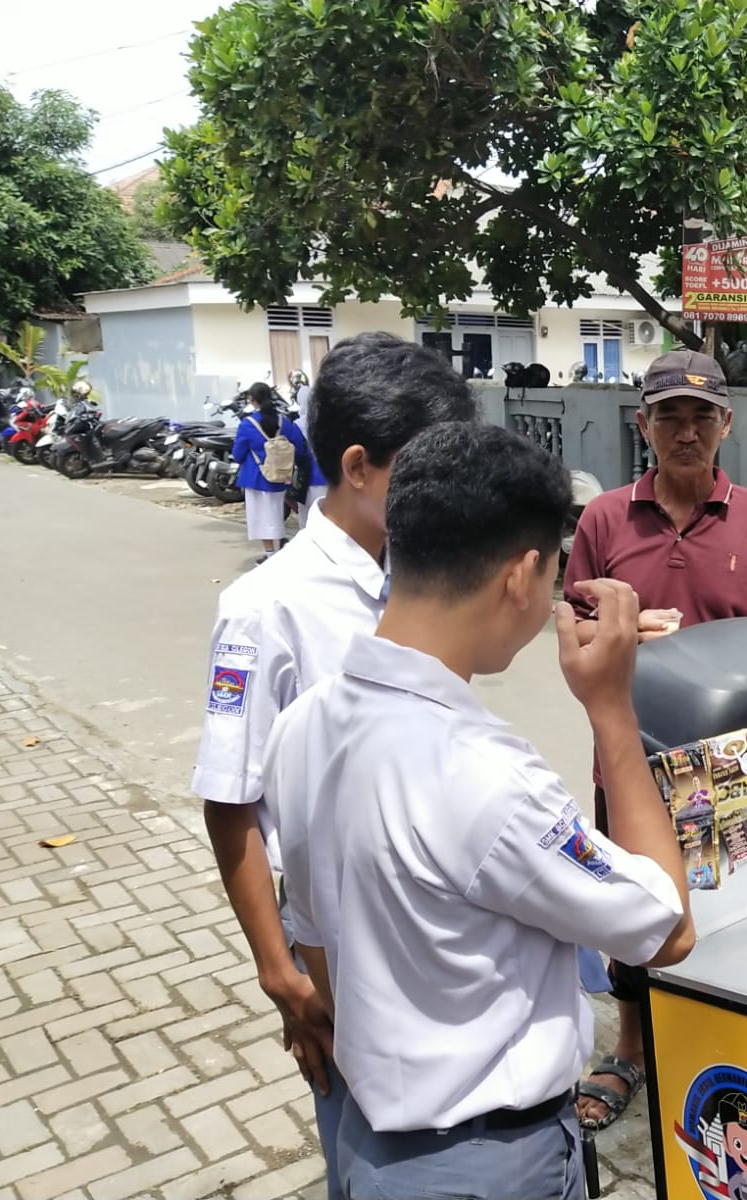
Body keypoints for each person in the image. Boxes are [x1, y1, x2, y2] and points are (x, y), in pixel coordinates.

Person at [263, 421, 694, 1200]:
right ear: (523, 575)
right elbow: (667, 930)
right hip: (491, 1164)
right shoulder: (487, 776)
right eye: (555, 570)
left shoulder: (302, 725)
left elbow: (315, 936)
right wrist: (612, 710)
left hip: (370, 1143)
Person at [193, 334, 474, 1200]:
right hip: (335, 934)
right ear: (357, 466)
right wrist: (281, 973)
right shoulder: (264, 609)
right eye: (422, 468)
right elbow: (230, 799)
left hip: (431, 904)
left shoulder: (419, 574)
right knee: (364, 1135)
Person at [562, 349, 747, 1129]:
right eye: (669, 415)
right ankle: (632, 1046)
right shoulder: (605, 519)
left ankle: (728, 1030)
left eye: (702, 416)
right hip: (630, 752)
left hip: (730, 762)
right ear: (645, 426)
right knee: (634, 903)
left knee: (738, 897)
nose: (686, 431)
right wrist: (625, 633)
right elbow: (573, 629)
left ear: (727, 425)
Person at [234, 382, 310, 560]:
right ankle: (279, 546)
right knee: (276, 513)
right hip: (281, 476)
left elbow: (238, 454)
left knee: (261, 517)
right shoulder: (285, 422)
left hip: (255, 477)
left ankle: (270, 553)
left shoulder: (247, 424)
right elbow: (299, 448)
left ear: (252, 400)